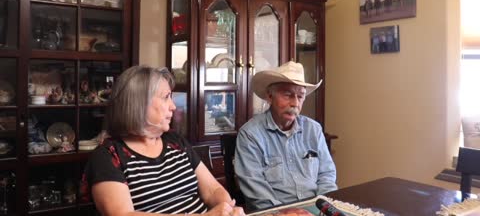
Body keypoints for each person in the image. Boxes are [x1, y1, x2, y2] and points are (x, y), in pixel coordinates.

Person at [82, 65, 244, 216]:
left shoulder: (175, 141)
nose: (173, 106)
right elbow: (124, 214)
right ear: (139, 104)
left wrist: (228, 208)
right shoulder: (108, 156)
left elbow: (212, 189)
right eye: (166, 97)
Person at [234, 61, 337, 211]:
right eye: (288, 95)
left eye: (300, 96)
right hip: (273, 213)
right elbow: (258, 194)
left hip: (316, 209)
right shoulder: (250, 135)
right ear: (270, 96)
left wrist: (324, 207)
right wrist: (287, 213)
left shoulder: (313, 129)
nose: (295, 103)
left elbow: (327, 174)